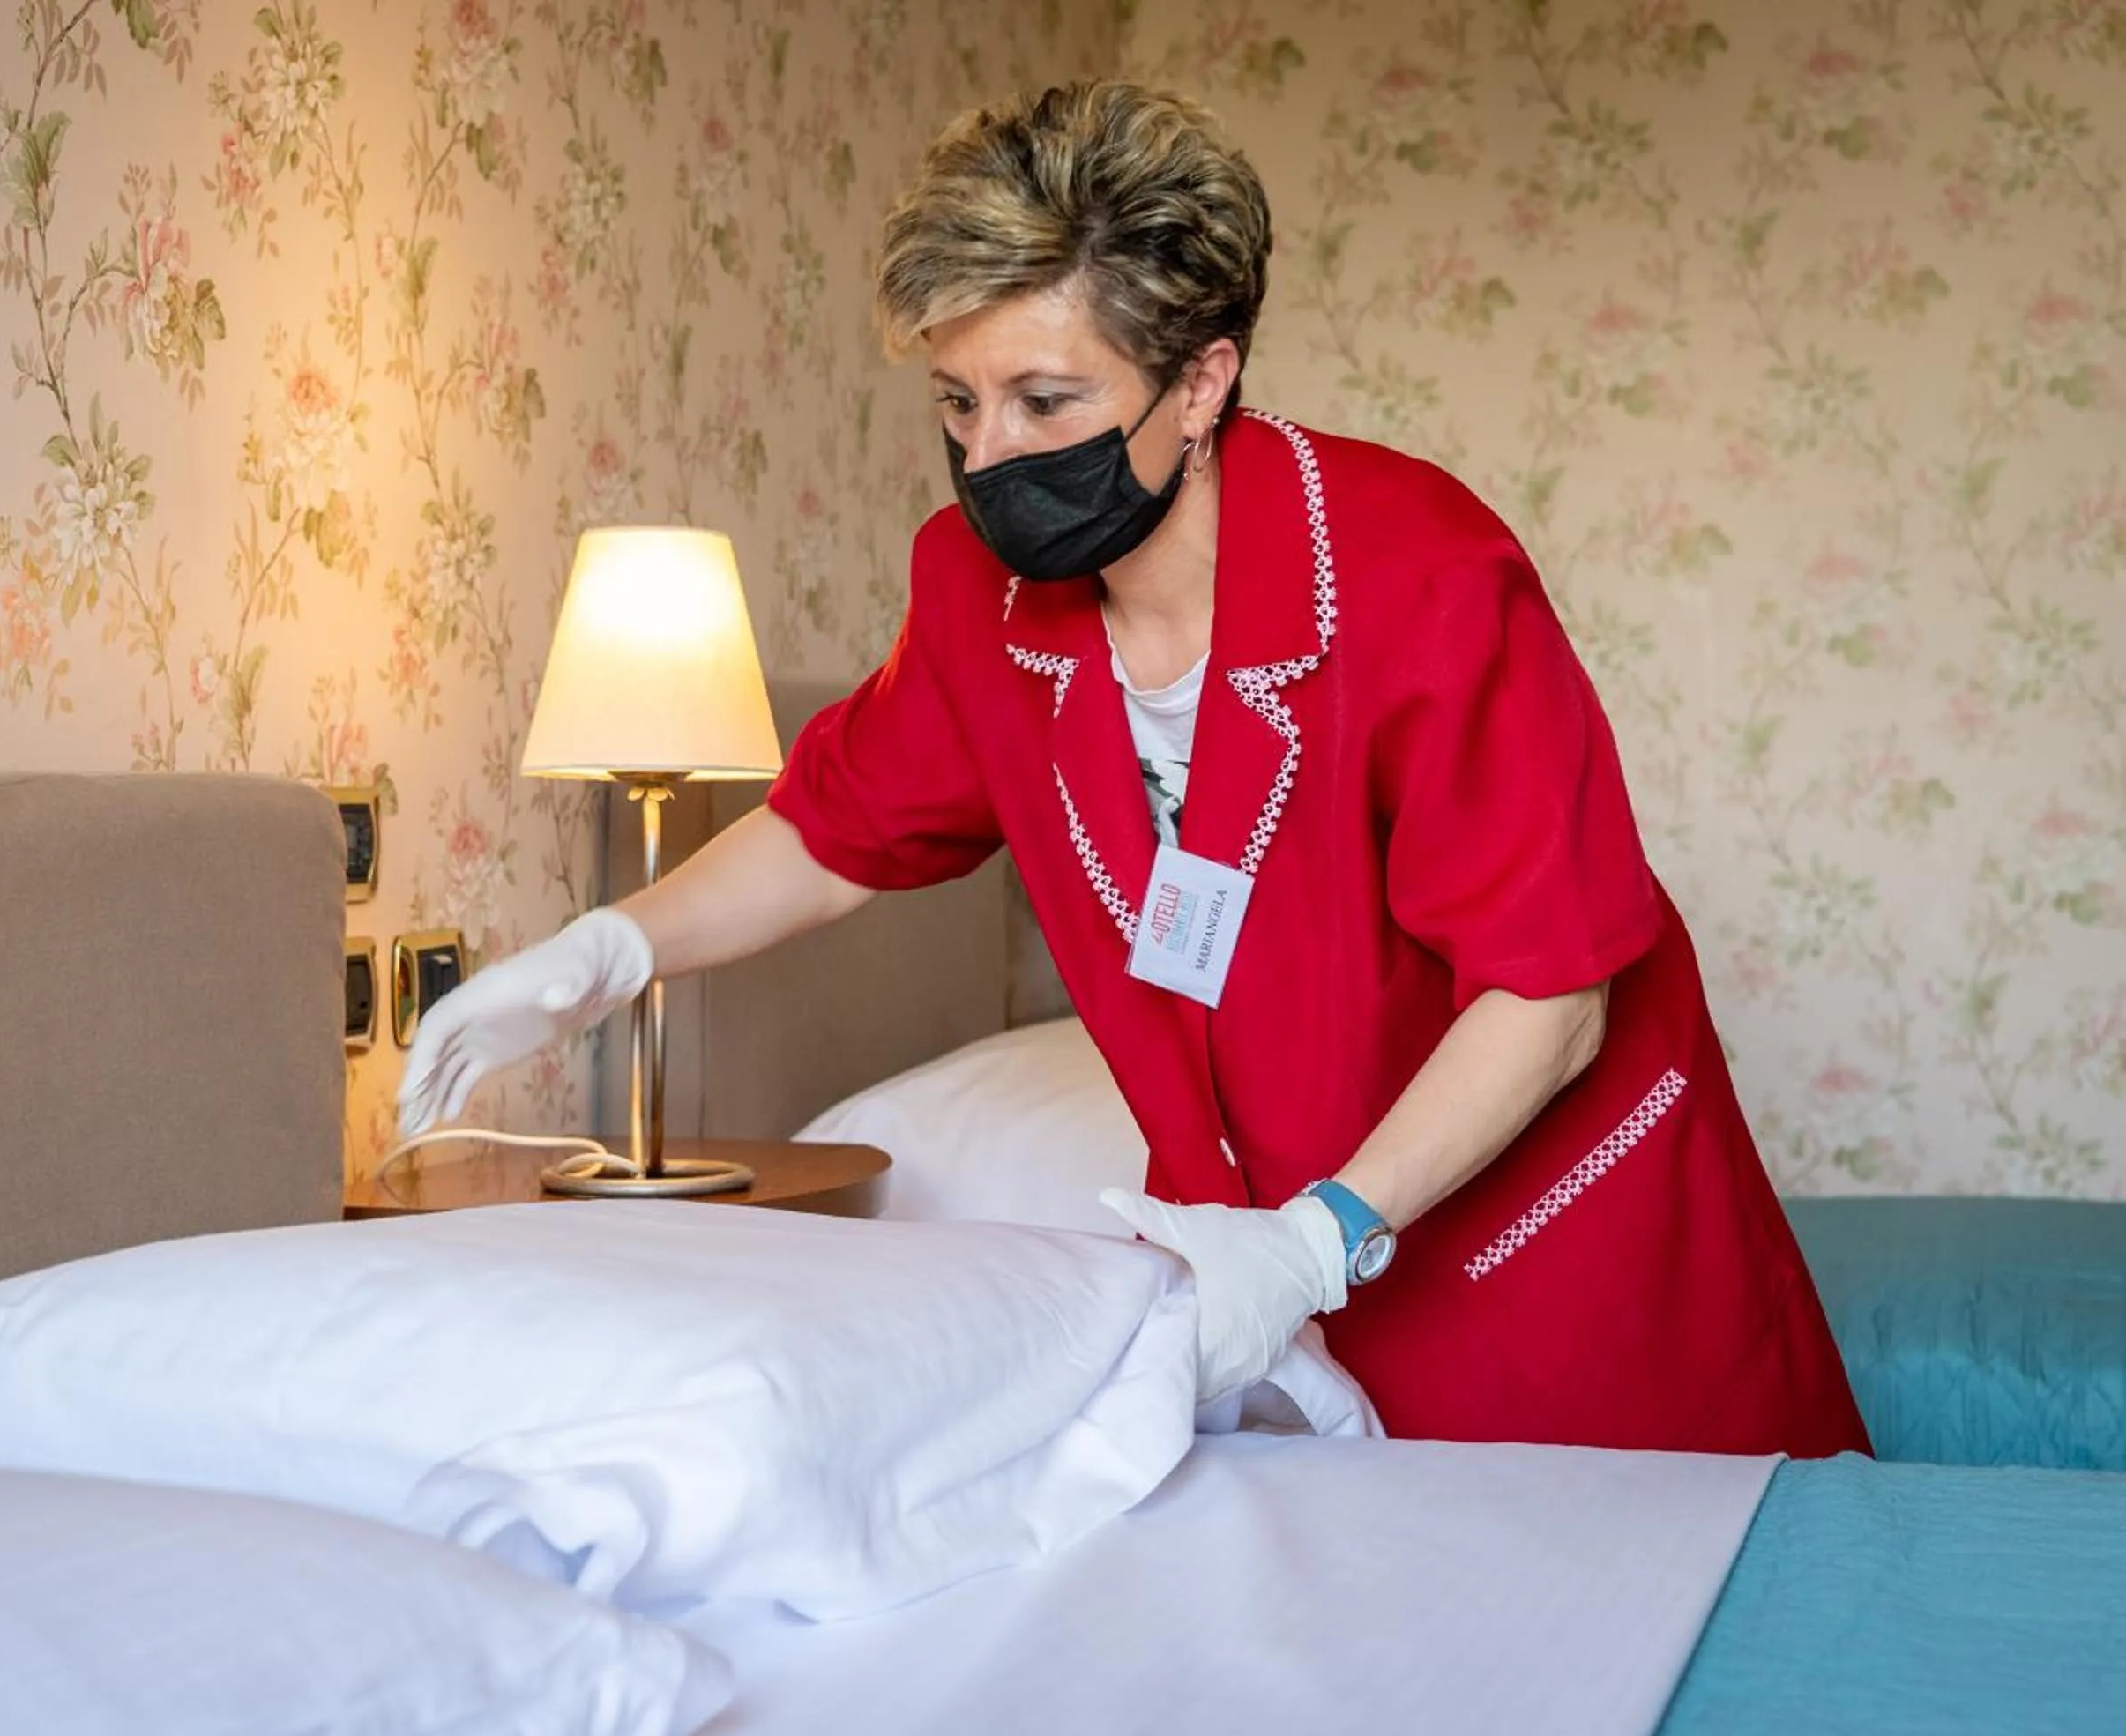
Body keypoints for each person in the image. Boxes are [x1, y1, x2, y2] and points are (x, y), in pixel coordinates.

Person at [399, 80, 1869, 1457]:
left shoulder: (1416, 573)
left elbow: (1551, 992)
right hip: (1262, 1252)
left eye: (1046, 403)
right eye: (957, 407)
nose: (990, 460)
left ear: (1201, 377)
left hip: (1542, 1236)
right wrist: (606, 953)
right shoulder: (977, 597)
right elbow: (838, 828)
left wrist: (1318, 1235)